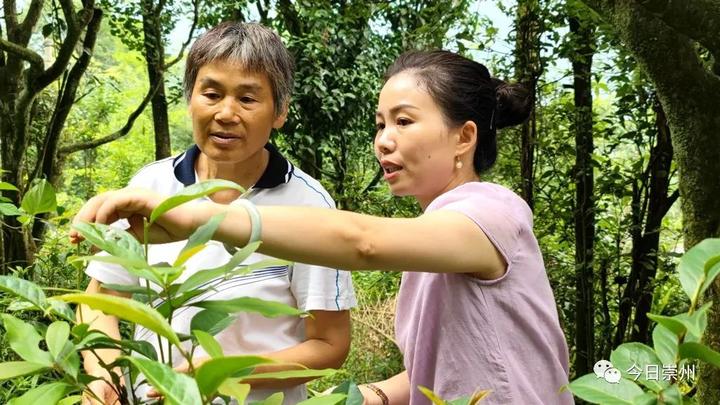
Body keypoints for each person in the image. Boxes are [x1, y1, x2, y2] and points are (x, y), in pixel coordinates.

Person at [73, 50, 573, 405]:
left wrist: (194, 218)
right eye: (380, 124)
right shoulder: (437, 233)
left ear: (464, 137)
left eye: (403, 121)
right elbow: (454, 365)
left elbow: (362, 242)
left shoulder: (492, 212)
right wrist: (370, 395)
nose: (383, 141)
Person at [78, 22, 356, 405]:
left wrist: (220, 371)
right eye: (211, 93)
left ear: (280, 112)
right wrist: (103, 375)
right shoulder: (149, 187)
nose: (226, 113)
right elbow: (100, 298)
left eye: (247, 99)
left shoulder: (308, 204)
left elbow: (329, 345)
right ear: (189, 98)